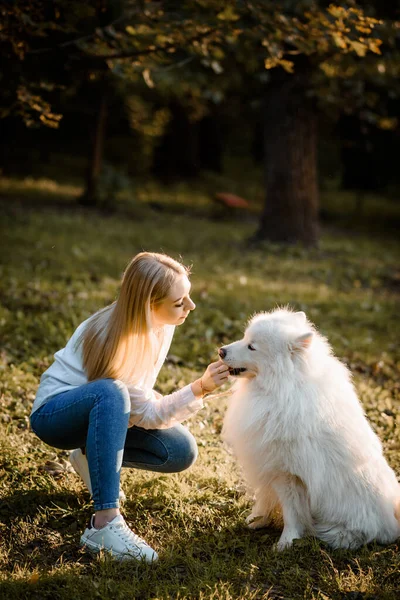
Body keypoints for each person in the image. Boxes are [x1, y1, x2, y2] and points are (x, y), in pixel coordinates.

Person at [30, 252, 229, 562]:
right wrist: (199, 387)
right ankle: (104, 523)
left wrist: (199, 389)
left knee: (180, 449)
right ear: (149, 304)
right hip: (55, 416)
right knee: (111, 392)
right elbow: (139, 408)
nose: (190, 306)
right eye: (180, 302)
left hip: (102, 411)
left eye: (187, 296)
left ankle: (87, 454)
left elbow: (140, 401)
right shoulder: (113, 337)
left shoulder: (160, 324)